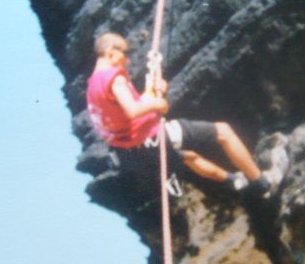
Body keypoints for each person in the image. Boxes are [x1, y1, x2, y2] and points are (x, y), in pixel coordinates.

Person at [86, 32, 270, 192]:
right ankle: (259, 182)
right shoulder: (114, 77)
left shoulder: (92, 86)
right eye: (124, 53)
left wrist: (153, 91)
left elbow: (120, 113)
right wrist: (159, 103)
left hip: (134, 149)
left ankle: (234, 181)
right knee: (223, 131)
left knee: (188, 156)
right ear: (111, 51)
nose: (126, 60)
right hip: (152, 135)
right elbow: (132, 110)